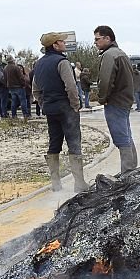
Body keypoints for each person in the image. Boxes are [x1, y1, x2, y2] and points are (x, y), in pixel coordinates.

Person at [33, 32, 88, 193]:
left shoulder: (39, 64)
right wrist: (75, 105)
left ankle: (56, 183)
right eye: (61, 41)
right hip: (66, 109)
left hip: (50, 110)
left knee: (54, 143)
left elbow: (35, 90)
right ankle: (79, 183)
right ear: (55, 45)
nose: (64, 43)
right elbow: (70, 87)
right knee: (74, 143)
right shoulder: (62, 62)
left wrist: (44, 104)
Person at [93, 25, 138, 173]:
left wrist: (102, 98)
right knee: (126, 135)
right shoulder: (120, 53)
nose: (95, 42)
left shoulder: (109, 55)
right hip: (124, 100)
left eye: (97, 39)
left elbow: (105, 81)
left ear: (107, 38)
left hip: (115, 102)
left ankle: (127, 172)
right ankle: (132, 168)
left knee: (121, 138)